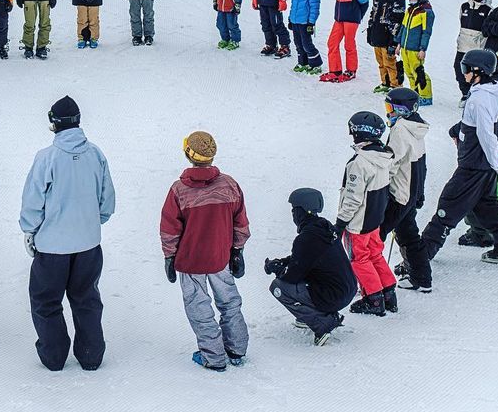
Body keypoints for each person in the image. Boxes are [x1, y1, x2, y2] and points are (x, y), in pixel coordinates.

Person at [20, 96, 116, 371]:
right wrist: (91, 223)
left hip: (52, 248)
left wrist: (30, 230)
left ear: (54, 123)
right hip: (88, 245)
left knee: (46, 301)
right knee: (86, 299)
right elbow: (107, 199)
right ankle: (91, 356)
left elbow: (33, 201)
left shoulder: (46, 158)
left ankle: (54, 357)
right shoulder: (95, 154)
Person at [159, 132, 250, 372]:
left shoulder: (179, 190)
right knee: (230, 302)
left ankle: (213, 357)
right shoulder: (229, 185)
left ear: (188, 154)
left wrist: (169, 256)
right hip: (220, 258)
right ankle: (236, 349)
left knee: (199, 307)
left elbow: (169, 229)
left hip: (191, 262)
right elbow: (240, 222)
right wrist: (237, 250)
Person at [420, 49, 498, 269]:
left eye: (465, 68)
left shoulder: (479, 99)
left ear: (478, 72)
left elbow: (486, 134)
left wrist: (497, 161)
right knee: (488, 208)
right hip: (484, 166)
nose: (462, 72)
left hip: (472, 166)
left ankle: (420, 257)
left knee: (447, 207)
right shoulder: (494, 91)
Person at [265, 188, 356, 346]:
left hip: (333, 296)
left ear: (302, 211)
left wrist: (278, 269)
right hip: (346, 289)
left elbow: (292, 276)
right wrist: (282, 262)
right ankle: (310, 315)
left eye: (294, 209)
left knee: (278, 287)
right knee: (303, 279)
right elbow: (305, 258)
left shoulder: (307, 238)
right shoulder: (324, 227)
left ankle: (322, 323)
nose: (292, 214)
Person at [335, 111, 397, 316]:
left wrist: (341, 222)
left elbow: (353, 197)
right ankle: (388, 293)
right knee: (375, 255)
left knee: (359, 259)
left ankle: (374, 299)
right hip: (375, 219)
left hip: (358, 223)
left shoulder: (359, 163)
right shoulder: (384, 157)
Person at [380, 88, 432, 294]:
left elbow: (392, 162)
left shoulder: (401, 130)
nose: (388, 113)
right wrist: (419, 193)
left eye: (390, 108)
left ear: (401, 110)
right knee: (407, 233)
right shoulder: (415, 127)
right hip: (411, 190)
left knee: (378, 234)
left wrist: (378, 186)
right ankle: (420, 276)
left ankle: (374, 279)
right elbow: (421, 162)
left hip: (400, 194)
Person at [320, 0, 368, 82]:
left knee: (349, 44)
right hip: (339, 18)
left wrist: (357, 16)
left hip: (351, 20)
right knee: (332, 43)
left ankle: (351, 71)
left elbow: (364, 2)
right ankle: (335, 71)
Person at [454, 0, 492, 106]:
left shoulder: (488, 9)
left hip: (477, 47)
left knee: (475, 72)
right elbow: (461, 22)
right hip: (463, 45)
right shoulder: (464, 6)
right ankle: (465, 93)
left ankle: (475, 94)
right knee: (459, 70)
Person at [367, 0, 405, 92]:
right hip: (377, 34)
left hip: (388, 36)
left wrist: (394, 41)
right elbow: (373, 14)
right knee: (381, 62)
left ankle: (395, 85)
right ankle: (385, 83)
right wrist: (370, 30)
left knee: (390, 62)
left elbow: (398, 21)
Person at [396, 0, 434, 105]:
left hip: (416, 49)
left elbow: (426, 32)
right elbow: (403, 27)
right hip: (405, 47)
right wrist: (399, 43)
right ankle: (415, 93)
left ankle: (426, 96)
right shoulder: (410, 10)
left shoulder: (426, 12)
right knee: (408, 72)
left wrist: (423, 49)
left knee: (418, 72)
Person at [287, 0, 321, 72]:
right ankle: (303, 63)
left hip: (305, 23)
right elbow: (293, 6)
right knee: (298, 44)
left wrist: (311, 23)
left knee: (307, 44)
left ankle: (316, 64)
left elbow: (314, 9)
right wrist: (290, 19)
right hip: (296, 22)